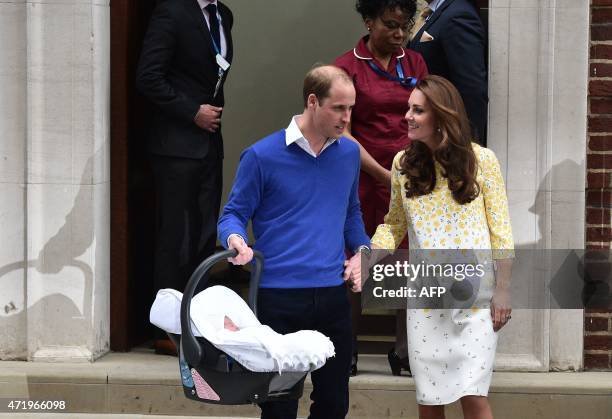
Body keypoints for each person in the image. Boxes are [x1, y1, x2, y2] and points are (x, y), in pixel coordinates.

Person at [217, 65, 371, 419]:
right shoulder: (261, 155)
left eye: (351, 109)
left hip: (333, 296)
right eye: (339, 108)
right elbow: (232, 215)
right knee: (279, 407)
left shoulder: (348, 154)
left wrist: (362, 252)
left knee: (334, 404)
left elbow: (351, 215)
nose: (347, 118)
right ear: (313, 102)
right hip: (278, 298)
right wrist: (236, 240)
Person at [369, 75, 514, 419]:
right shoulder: (403, 165)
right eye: (409, 108)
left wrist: (504, 290)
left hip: (476, 301)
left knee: (473, 395)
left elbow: (501, 232)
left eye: (417, 110)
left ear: (442, 116)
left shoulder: (483, 161)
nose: (407, 116)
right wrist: (366, 258)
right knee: (430, 400)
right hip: (425, 302)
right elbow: (393, 225)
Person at [334, 0, 429, 376]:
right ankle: (347, 350)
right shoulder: (346, 66)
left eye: (404, 26)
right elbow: (344, 131)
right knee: (356, 262)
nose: (399, 34)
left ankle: (404, 352)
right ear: (369, 22)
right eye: (390, 25)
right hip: (361, 178)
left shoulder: (415, 63)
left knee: (407, 264)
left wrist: (410, 171)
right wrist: (382, 174)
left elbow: (426, 115)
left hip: (409, 178)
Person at [136, 0, 233, 355]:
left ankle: (197, 323)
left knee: (205, 236)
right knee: (175, 235)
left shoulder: (224, 15)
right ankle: (166, 328)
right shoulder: (171, 11)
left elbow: (214, 77)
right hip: (176, 145)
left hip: (209, 145)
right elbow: (148, 77)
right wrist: (191, 112)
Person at [408, 0, 488, 144]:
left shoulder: (459, 15)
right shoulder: (432, 13)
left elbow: (472, 90)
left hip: (447, 139)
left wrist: (468, 146)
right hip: (426, 133)